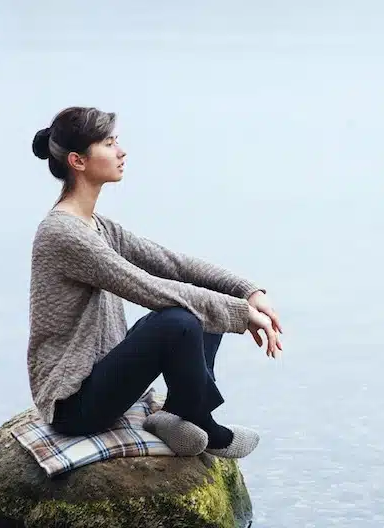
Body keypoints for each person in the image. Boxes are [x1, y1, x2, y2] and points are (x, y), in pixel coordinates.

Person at [26, 106, 283, 459]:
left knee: (205, 299)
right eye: (108, 144)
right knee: (178, 320)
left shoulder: (97, 225)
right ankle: (203, 423)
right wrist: (239, 313)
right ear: (78, 161)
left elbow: (171, 264)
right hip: (73, 405)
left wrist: (246, 291)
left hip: (104, 379)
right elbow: (147, 287)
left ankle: (178, 412)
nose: (121, 151)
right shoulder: (62, 234)